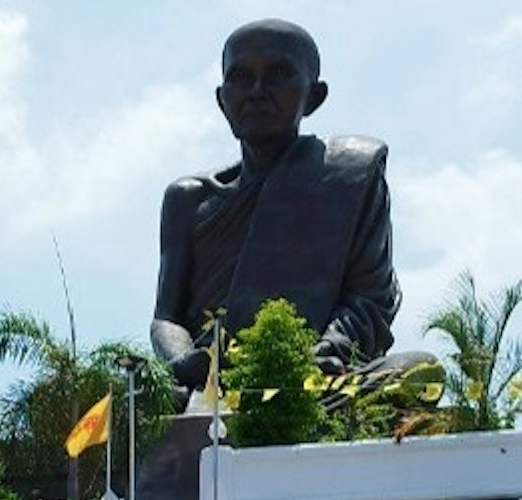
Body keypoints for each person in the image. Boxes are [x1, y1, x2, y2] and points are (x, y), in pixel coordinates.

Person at [152, 19, 402, 399]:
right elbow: (167, 317)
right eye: (240, 77)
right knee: (135, 399)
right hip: (208, 386)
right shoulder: (188, 199)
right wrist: (182, 360)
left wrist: (323, 353)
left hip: (314, 377)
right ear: (222, 99)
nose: (256, 91)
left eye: (278, 74)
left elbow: (371, 298)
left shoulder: (350, 173)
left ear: (314, 96)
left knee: (411, 369)